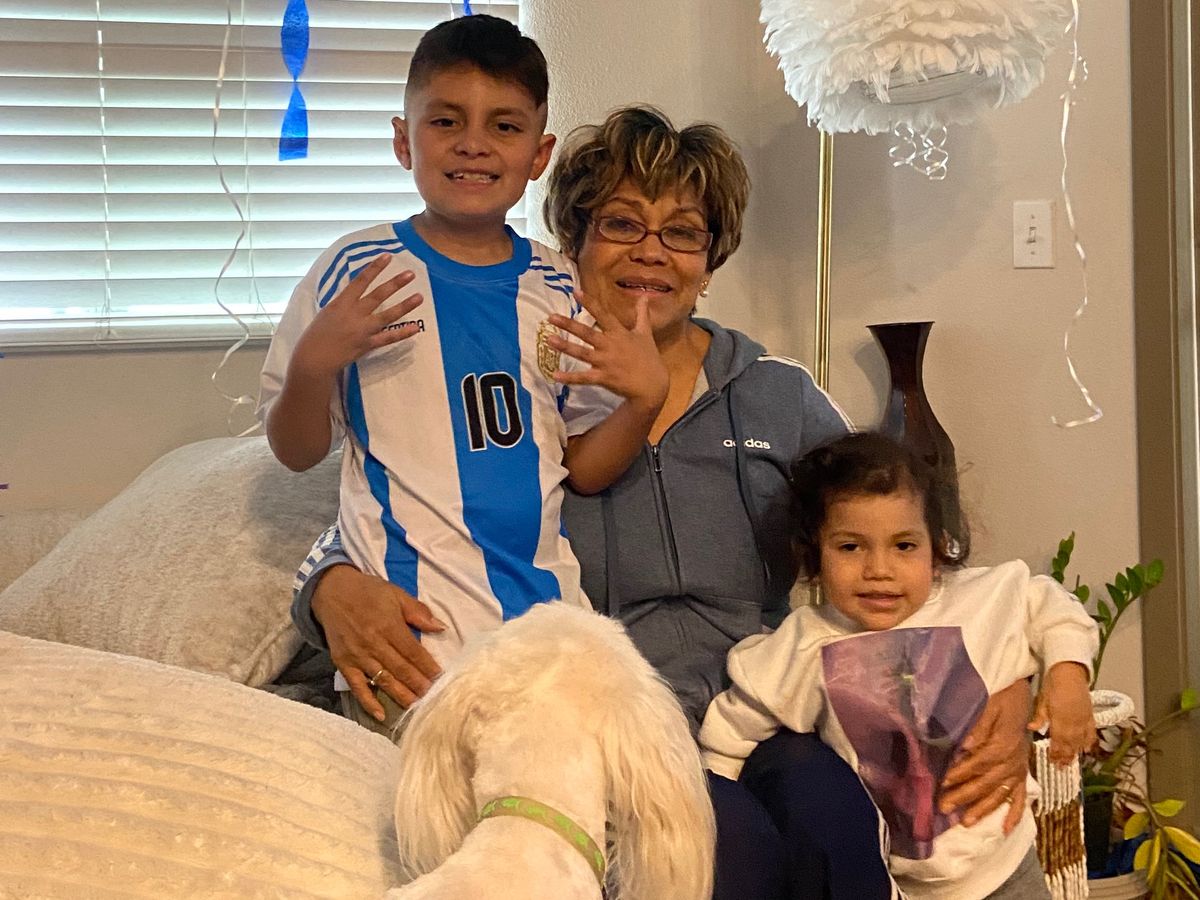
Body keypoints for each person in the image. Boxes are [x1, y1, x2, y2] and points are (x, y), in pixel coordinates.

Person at [290, 107, 1038, 900]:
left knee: (834, 816)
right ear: (572, 243)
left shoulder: (776, 395)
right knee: (725, 849)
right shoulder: (520, 388)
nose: (651, 251)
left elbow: (904, 543)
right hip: (617, 726)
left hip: (767, 706)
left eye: (682, 233)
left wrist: (1011, 682)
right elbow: (407, 506)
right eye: (620, 223)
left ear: (710, 263)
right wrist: (326, 586)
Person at [258, 17, 669, 724]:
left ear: (538, 154)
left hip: (548, 640)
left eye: (504, 126)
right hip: (410, 648)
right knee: (435, 795)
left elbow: (585, 468)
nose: (473, 143)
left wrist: (643, 402)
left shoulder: (560, 285)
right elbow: (294, 452)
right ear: (403, 140)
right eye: (446, 121)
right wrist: (313, 365)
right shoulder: (355, 270)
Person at [699, 432, 1099, 899]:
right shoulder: (802, 645)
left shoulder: (979, 599)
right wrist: (718, 834)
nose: (879, 569)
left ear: (938, 550)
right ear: (814, 555)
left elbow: (1052, 606)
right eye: (851, 547)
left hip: (1007, 868)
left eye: (904, 546)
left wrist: (1068, 676)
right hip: (906, 885)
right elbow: (728, 737)